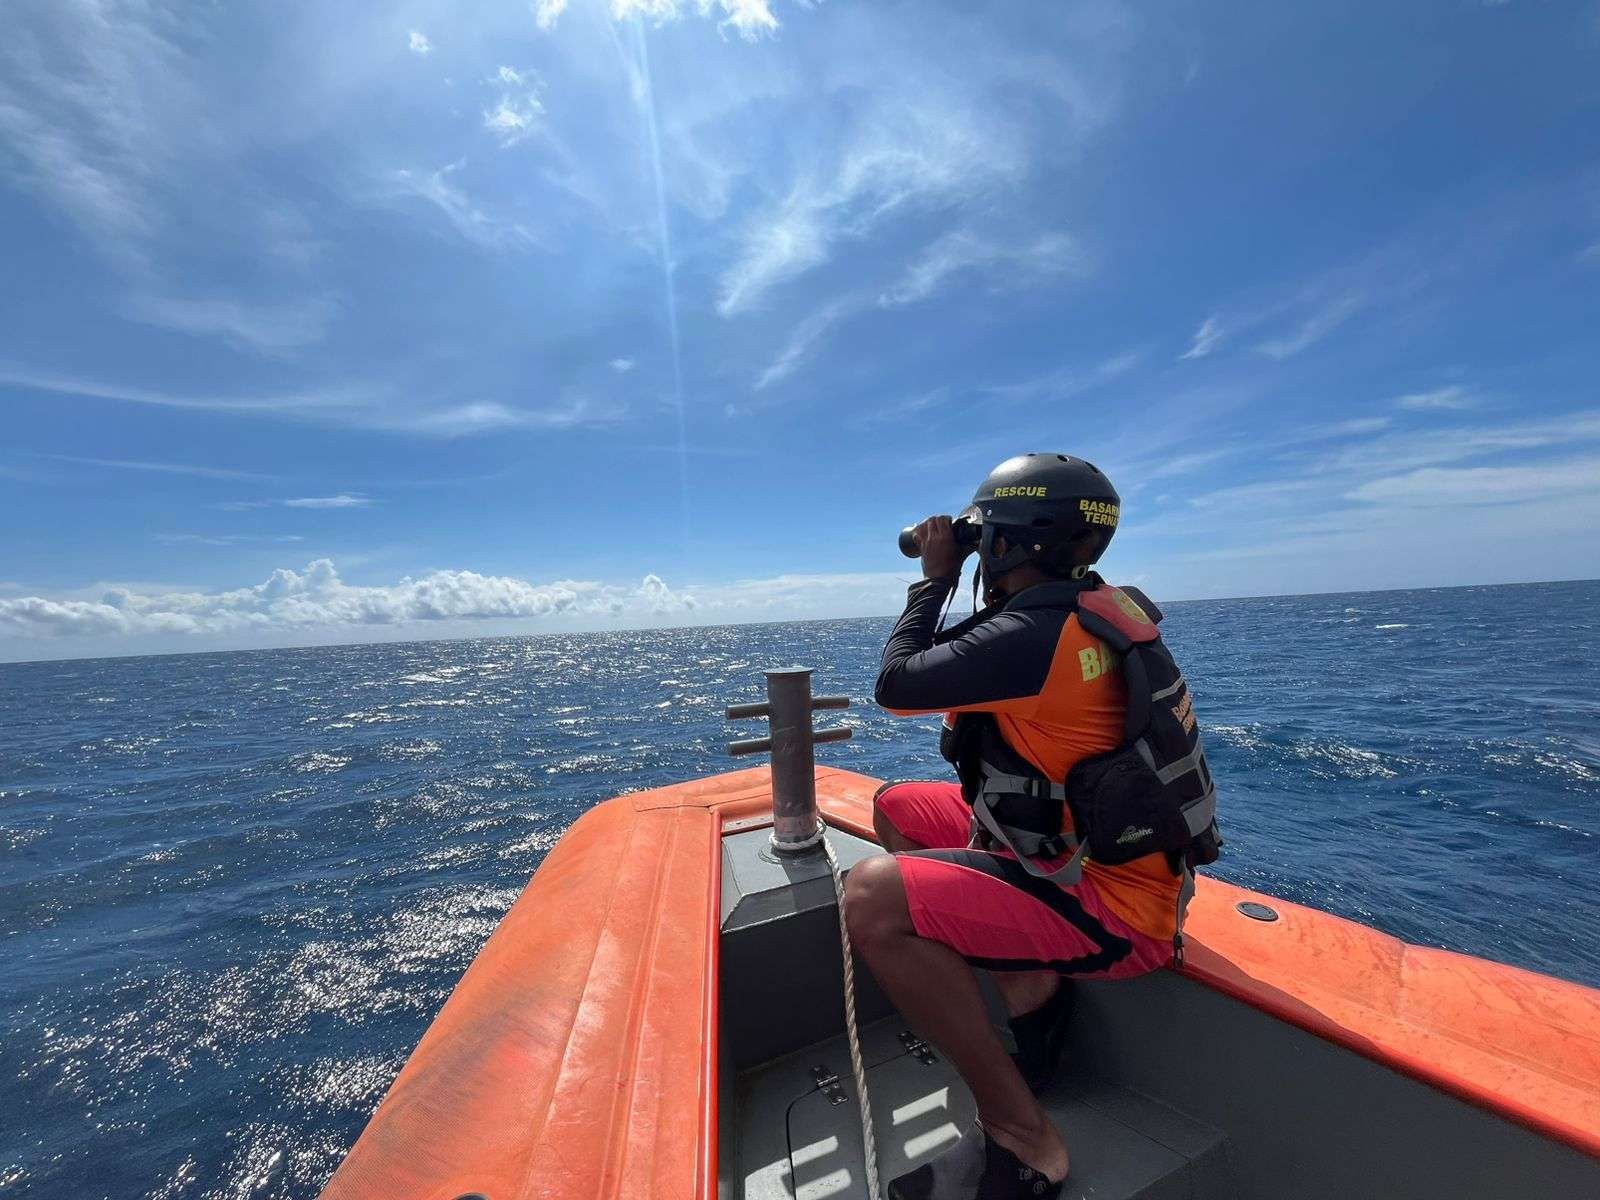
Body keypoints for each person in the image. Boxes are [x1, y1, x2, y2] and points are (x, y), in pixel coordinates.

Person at [844, 453, 1219, 1200]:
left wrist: (936, 576)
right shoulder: (1089, 609)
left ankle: (1025, 1140)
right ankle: (1034, 1001)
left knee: (873, 900)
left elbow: (897, 683)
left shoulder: (1033, 640)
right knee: (897, 808)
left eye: (988, 530)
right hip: (1091, 852)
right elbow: (982, 653)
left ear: (1011, 539)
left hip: (1112, 908)